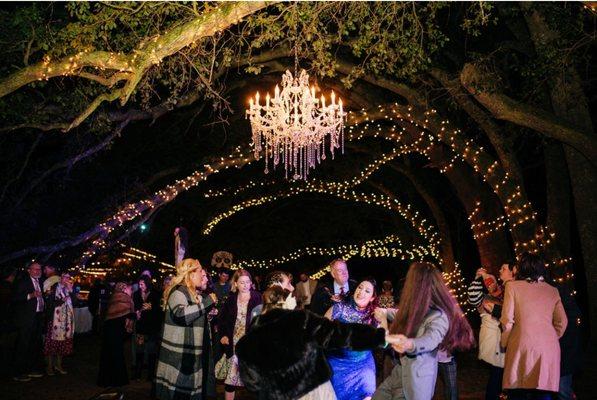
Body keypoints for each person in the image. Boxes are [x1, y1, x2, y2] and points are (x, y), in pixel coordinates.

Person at [236, 285, 404, 400]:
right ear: (285, 301)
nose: (295, 298)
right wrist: (380, 337)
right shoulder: (300, 319)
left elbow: (250, 379)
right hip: (314, 390)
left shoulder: (250, 337)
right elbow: (340, 333)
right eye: (292, 294)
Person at [372, 262, 475, 400]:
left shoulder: (439, 315)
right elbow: (399, 314)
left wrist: (408, 343)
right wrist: (384, 311)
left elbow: (430, 340)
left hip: (415, 385)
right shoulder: (418, 310)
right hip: (398, 375)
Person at [500, 253, 568, 400]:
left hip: (521, 345)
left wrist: (505, 342)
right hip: (548, 348)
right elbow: (562, 322)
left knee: (518, 390)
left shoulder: (512, 287)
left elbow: (507, 320)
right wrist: (550, 337)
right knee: (543, 392)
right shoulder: (552, 290)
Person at [155, 259, 218, 400]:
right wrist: (207, 303)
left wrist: (207, 315)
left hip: (195, 351)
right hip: (181, 354)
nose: (204, 276)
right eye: (201, 272)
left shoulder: (193, 293)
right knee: (181, 393)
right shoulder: (178, 292)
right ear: (191, 274)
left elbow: (194, 316)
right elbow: (181, 315)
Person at [324, 278, 380, 400]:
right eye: (360, 287)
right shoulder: (339, 308)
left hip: (363, 366)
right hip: (337, 364)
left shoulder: (375, 316)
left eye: (367, 291)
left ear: (372, 298)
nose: (361, 292)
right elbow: (320, 332)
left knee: (367, 394)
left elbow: (383, 340)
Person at [217, 269, 262, 400]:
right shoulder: (231, 299)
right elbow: (223, 320)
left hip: (251, 344)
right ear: (235, 283)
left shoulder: (258, 297)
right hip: (234, 343)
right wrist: (223, 335)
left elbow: (262, 319)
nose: (245, 285)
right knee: (231, 381)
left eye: (248, 282)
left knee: (254, 381)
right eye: (242, 282)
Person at [11, 262, 45, 381]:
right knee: (22, 345)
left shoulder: (40, 282)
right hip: (26, 319)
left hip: (37, 317)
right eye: (35, 269)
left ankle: (30, 369)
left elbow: (40, 299)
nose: (38, 271)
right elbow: (14, 298)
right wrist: (30, 295)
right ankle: (18, 372)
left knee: (34, 344)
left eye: (39, 269)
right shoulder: (23, 282)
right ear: (29, 270)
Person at [97, 282, 135, 387]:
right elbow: (128, 315)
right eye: (129, 289)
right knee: (117, 355)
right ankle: (117, 380)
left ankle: (105, 380)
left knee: (108, 355)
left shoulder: (114, 297)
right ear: (124, 289)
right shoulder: (125, 298)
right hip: (117, 331)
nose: (131, 291)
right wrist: (135, 315)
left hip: (109, 330)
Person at [43, 271, 75, 375]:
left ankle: (58, 365)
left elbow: (75, 302)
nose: (67, 279)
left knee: (62, 343)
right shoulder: (53, 288)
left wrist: (71, 291)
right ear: (60, 278)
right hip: (54, 320)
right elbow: (49, 303)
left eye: (68, 277)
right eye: (64, 277)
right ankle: (49, 366)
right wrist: (62, 300)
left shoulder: (69, 289)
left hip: (66, 321)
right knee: (52, 343)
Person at [132, 275, 162, 381]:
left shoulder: (156, 294)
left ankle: (150, 375)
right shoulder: (136, 294)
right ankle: (137, 374)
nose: (140, 286)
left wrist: (152, 307)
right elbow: (134, 307)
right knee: (139, 350)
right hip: (141, 327)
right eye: (139, 284)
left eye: (142, 284)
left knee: (151, 351)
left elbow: (160, 310)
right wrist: (137, 312)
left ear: (147, 283)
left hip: (152, 328)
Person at [0, 267, 18, 377]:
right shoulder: (9, 288)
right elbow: (11, 304)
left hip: (5, 318)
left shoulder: (4, 286)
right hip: (7, 319)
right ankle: (6, 369)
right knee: (6, 345)